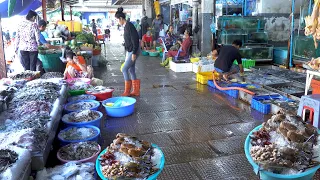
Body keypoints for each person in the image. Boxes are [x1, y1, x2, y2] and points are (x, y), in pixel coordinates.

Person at [115, 7, 140, 97]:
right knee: (131, 70)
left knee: (124, 69)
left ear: (121, 19)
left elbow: (135, 39)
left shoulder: (129, 26)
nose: (118, 22)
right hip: (130, 50)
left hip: (133, 51)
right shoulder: (126, 26)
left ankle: (127, 91)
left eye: (118, 20)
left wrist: (133, 53)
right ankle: (136, 91)